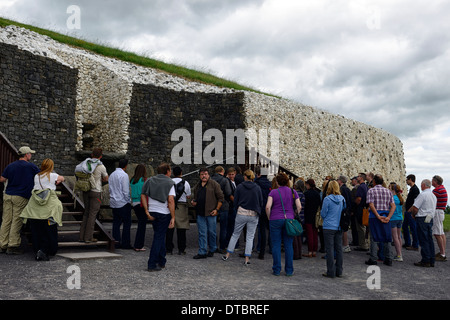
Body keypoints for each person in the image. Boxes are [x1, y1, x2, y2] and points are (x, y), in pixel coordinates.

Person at [20, 159, 64, 261]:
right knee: (49, 230)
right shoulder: (53, 176)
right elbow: (62, 178)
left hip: (35, 208)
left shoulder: (37, 176)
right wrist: (59, 180)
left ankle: (39, 250)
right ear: (51, 167)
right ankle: (47, 250)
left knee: (37, 231)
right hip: (49, 208)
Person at [0, 146, 40, 254]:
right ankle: (12, 246)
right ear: (26, 155)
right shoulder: (31, 167)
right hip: (21, 196)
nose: (31, 155)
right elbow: (41, 176)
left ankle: (2, 244)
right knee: (16, 220)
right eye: (30, 154)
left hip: (8, 195)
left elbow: (2, 179)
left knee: (6, 220)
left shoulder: (10, 166)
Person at [222, 170, 263, 265]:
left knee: (235, 234)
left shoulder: (240, 187)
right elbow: (260, 201)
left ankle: (227, 255)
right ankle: (247, 258)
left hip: (241, 212)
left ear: (245, 177)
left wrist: (237, 209)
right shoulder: (257, 188)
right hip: (253, 213)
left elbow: (235, 200)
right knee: (250, 237)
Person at [141, 163, 176, 271]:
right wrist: (173, 217)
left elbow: (143, 194)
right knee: (158, 238)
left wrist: (146, 210)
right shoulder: (170, 182)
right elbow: (170, 200)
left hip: (152, 211)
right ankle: (152, 263)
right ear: (168, 171)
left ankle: (162, 261)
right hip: (163, 212)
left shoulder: (150, 180)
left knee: (159, 236)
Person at [266, 172, 301, 276]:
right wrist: (294, 214)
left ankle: (276, 269)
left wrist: (269, 217)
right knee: (288, 245)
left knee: (276, 245)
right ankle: (289, 270)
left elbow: (268, 207)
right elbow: (299, 206)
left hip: (275, 219)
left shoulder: (273, 192)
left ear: (277, 182)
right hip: (289, 219)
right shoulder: (293, 191)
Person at [191, 168, 224, 259]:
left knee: (212, 232)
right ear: (199, 176)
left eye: (205, 174)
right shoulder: (197, 186)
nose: (204, 176)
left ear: (208, 175)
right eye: (202, 174)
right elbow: (196, 198)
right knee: (202, 233)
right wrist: (194, 202)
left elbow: (221, 198)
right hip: (200, 213)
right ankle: (202, 251)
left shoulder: (214, 184)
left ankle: (213, 248)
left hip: (211, 213)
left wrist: (216, 209)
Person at [365, 174, 396, 266]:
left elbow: (371, 204)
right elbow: (393, 206)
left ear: (374, 181)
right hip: (386, 215)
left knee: (374, 237)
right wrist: (389, 217)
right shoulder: (388, 191)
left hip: (375, 216)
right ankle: (388, 258)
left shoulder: (371, 190)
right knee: (387, 237)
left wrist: (378, 216)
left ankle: (373, 258)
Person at [79, 148, 108, 243]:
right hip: (96, 191)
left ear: (92, 155)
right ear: (101, 156)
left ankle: (81, 236)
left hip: (86, 190)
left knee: (86, 213)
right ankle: (88, 237)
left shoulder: (86, 164)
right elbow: (106, 178)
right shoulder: (101, 166)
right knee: (92, 214)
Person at [321, 180, 346, 278]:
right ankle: (339, 270)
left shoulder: (327, 199)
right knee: (339, 249)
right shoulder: (342, 199)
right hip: (338, 225)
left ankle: (330, 271)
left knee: (329, 249)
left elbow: (323, 213)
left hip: (328, 226)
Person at [411, 179, 437, 267]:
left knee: (423, 239)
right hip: (430, 217)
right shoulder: (433, 195)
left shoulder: (422, 195)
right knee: (429, 239)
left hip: (422, 217)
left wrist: (414, 215)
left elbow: (415, 207)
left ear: (424, 185)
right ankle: (431, 259)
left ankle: (426, 260)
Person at [166, 166, 191, 255]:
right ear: (181, 172)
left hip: (170, 206)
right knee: (181, 229)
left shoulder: (169, 182)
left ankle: (169, 248)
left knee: (169, 228)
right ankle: (181, 249)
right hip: (181, 206)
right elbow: (188, 195)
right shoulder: (186, 183)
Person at [109, 159, 132, 249]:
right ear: (126, 166)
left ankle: (116, 241)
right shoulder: (124, 175)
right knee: (127, 223)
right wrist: (128, 200)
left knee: (116, 223)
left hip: (114, 201)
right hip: (122, 202)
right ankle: (125, 243)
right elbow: (125, 191)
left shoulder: (112, 174)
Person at [211, 166, 232, 254]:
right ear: (222, 171)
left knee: (212, 227)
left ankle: (213, 245)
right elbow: (228, 192)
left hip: (212, 205)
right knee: (223, 227)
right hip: (224, 205)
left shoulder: (210, 180)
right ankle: (222, 246)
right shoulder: (225, 180)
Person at [254, 165, 272, 259]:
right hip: (267, 208)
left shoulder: (257, 183)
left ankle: (257, 249)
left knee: (256, 230)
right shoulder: (269, 184)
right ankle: (262, 250)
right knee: (265, 230)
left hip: (258, 208)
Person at [130, 164, 148, 251]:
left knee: (140, 224)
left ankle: (138, 244)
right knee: (142, 225)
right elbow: (144, 193)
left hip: (134, 203)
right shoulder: (143, 180)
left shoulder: (132, 180)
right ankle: (138, 245)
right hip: (141, 203)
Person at [303, 179, 321, 258]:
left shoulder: (306, 194)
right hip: (315, 215)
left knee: (309, 234)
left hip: (308, 215)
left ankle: (310, 251)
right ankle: (314, 251)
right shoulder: (317, 194)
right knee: (315, 233)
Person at [431, 175, 447, 261]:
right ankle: (442, 252)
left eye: (432, 180)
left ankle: (442, 254)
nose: (431, 182)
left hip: (437, 212)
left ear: (435, 181)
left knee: (437, 233)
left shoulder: (436, 190)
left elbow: (430, 199)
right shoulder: (442, 188)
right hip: (441, 212)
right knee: (441, 233)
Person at [403, 174, 420, 251]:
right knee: (404, 227)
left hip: (410, 212)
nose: (406, 181)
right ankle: (407, 243)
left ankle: (415, 245)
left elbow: (416, 200)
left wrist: (411, 209)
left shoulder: (415, 189)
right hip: (407, 212)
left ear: (410, 179)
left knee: (413, 228)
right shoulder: (412, 189)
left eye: (407, 179)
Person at [389, 182, 404, 262]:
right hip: (399, 218)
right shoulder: (399, 198)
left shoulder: (392, 198)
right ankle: (399, 253)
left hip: (393, 219)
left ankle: (399, 255)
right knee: (398, 237)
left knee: (395, 237)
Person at [354, 173, 369, 251]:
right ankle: (366, 243)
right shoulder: (366, 187)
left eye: (359, 176)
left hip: (360, 208)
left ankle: (363, 245)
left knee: (360, 227)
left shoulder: (360, 187)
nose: (357, 177)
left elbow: (359, 199)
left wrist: (356, 203)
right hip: (365, 208)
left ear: (362, 178)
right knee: (364, 227)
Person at [337, 175, 352, 253]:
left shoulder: (342, 190)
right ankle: (345, 245)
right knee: (344, 228)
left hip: (344, 212)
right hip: (347, 211)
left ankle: (345, 245)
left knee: (344, 229)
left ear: (340, 181)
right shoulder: (347, 189)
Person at [293, 179, 305, 260]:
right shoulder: (303, 195)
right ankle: (299, 253)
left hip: (295, 215)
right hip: (302, 217)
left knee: (294, 236)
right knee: (299, 236)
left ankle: (295, 253)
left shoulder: (294, 194)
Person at [225, 167, 237, 248]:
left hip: (233, 205)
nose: (231, 176)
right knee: (231, 226)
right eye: (230, 175)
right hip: (231, 205)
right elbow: (229, 195)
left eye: (232, 174)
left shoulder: (234, 182)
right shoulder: (228, 182)